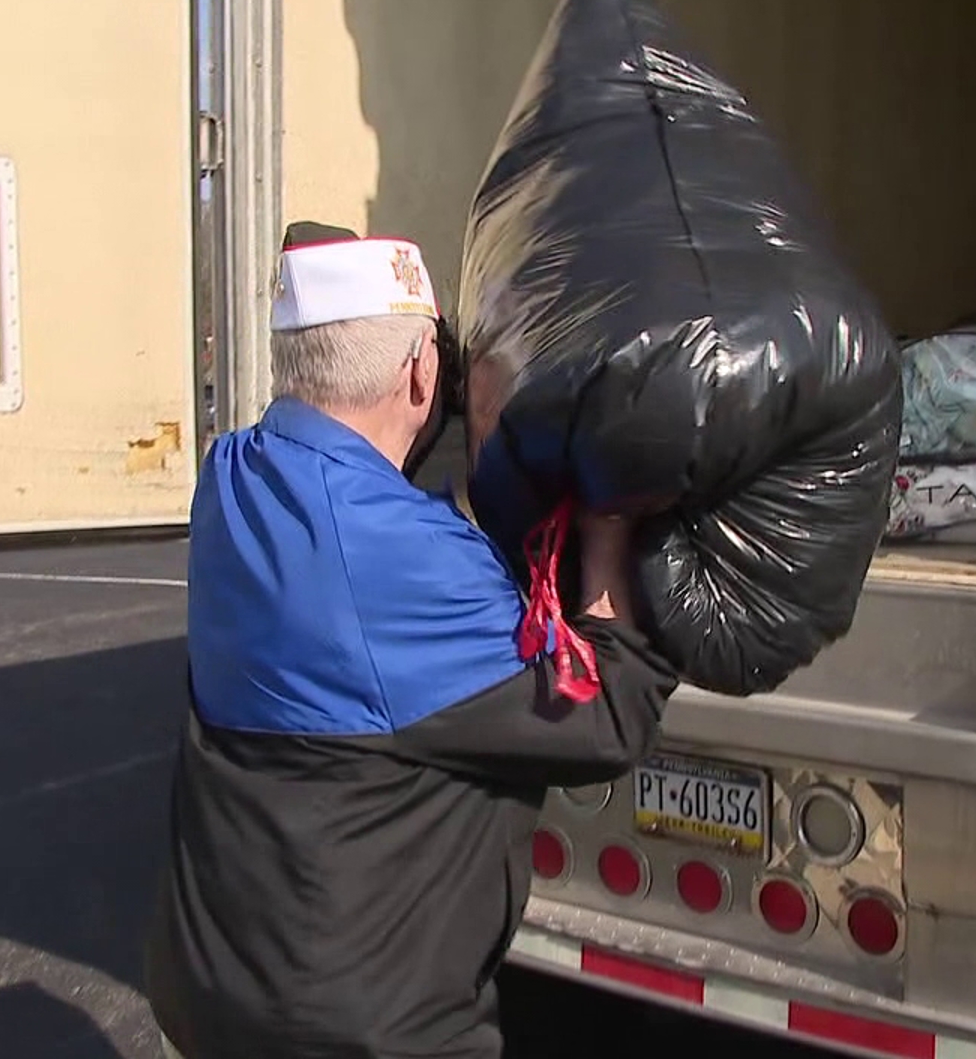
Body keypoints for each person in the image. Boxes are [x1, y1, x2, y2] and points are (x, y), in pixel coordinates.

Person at [144, 222, 679, 1059]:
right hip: (357, 1033)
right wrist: (607, 532)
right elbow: (602, 719)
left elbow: (376, 553)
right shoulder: (409, 558)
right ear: (423, 372)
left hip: (213, 997)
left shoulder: (231, 477)